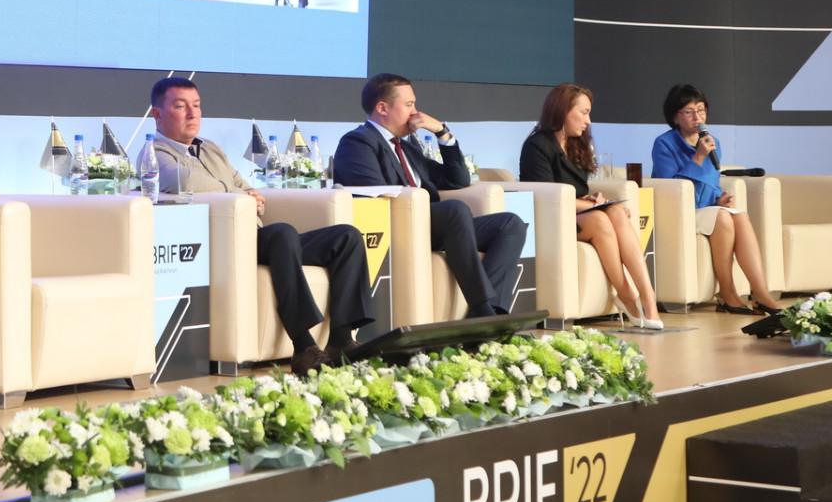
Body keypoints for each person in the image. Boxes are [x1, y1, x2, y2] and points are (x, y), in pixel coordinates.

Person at [147, 76, 373, 375]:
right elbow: (186, 182)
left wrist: (244, 194)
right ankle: (303, 344)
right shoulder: (155, 153)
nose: (192, 114)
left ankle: (341, 339)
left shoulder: (211, 148)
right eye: (180, 106)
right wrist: (240, 195)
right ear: (157, 114)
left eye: (197, 106)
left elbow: (244, 185)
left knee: (347, 236)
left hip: (256, 235)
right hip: (222, 243)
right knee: (282, 233)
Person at [334, 73, 527, 318]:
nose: (416, 113)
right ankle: (482, 308)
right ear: (382, 108)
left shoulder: (406, 147)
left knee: (510, 224)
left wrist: (442, 133)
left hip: (434, 225)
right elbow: (375, 195)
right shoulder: (357, 142)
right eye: (409, 104)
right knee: (454, 210)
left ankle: (494, 312)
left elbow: (457, 179)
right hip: (397, 225)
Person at [519, 84, 663, 330]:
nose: (588, 121)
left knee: (617, 212)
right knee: (600, 219)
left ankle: (649, 297)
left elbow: (576, 189)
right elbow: (546, 196)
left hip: (577, 213)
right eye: (583, 113)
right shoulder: (537, 145)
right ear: (563, 110)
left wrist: (592, 199)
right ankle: (627, 295)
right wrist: (588, 204)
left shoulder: (576, 143)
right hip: (552, 220)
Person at [651, 84, 782, 315]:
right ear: (675, 116)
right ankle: (727, 293)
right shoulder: (664, 144)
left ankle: (760, 292)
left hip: (706, 209)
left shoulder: (714, 142)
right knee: (722, 218)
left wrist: (717, 199)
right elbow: (670, 189)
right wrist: (698, 157)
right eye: (689, 112)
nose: (697, 117)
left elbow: (711, 182)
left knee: (739, 216)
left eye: (701, 110)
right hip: (679, 213)